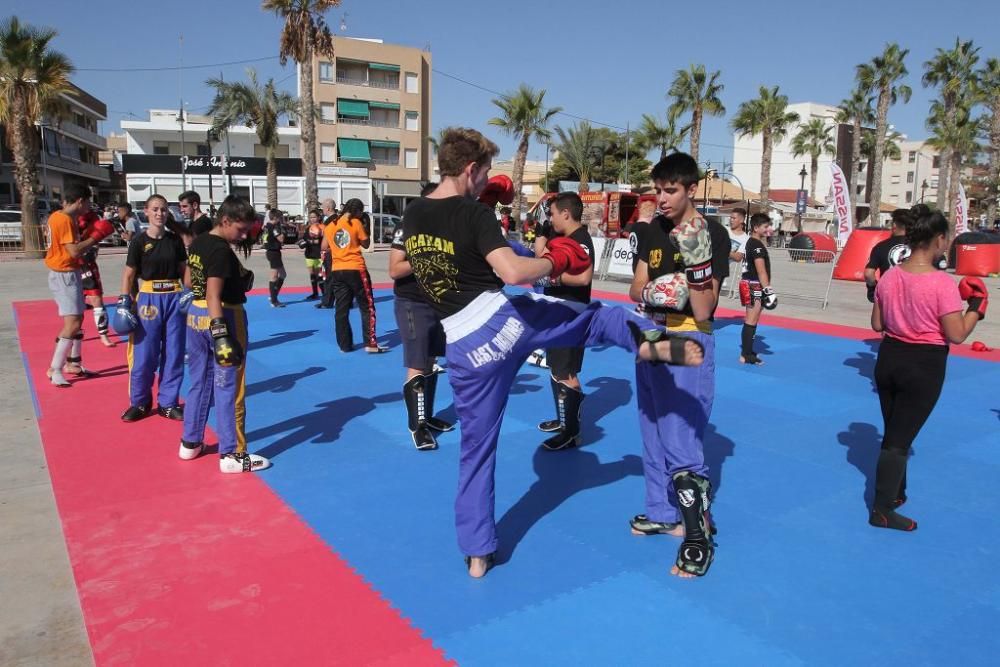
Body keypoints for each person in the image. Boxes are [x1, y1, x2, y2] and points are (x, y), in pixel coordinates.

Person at [400, 127, 704, 578]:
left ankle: (478, 552)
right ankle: (654, 343)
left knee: (475, 451)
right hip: (501, 322)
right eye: (484, 173)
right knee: (594, 319)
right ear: (469, 170)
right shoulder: (472, 213)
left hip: (462, 347)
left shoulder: (414, 214)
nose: (485, 182)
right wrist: (556, 259)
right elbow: (515, 273)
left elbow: (425, 266)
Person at [627, 152, 729, 579]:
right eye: (658, 189)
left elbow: (706, 306)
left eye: (671, 190)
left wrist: (692, 272)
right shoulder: (650, 229)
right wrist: (658, 291)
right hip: (651, 335)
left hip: (688, 338)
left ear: (691, 189)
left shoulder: (714, 234)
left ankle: (697, 537)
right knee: (651, 431)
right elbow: (635, 286)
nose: (662, 197)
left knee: (681, 440)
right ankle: (662, 512)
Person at [869, 210, 985, 530]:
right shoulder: (941, 283)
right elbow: (957, 334)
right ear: (938, 239)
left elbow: (877, 323)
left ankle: (895, 493)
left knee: (895, 430)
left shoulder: (890, 276)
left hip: (889, 358)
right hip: (923, 364)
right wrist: (976, 309)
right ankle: (880, 510)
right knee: (897, 440)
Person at [179, 195, 271, 473]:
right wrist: (221, 335)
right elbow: (213, 294)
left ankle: (190, 442)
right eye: (240, 229)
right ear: (226, 220)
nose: (243, 235)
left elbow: (187, 281)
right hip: (223, 316)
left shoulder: (199, 242)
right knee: (231, 386)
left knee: (198, 382)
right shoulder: (219, 250)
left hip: (195, 317)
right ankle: (232, 453)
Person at [389, 182, 455, 450]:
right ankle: (417, 426)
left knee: (430, 360)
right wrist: (426, 257)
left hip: (438, 302)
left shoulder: (444, 229)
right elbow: (394, 269)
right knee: (417, 363)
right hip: (412, 302)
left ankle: (426, 416)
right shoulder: (408, 227)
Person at [113, 194, 188, 422]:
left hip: (174, 299)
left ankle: (168, 402)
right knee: (144, 355)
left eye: (164, 210)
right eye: (155, 209)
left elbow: (184, 269)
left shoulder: (175, 241)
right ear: (146, 211)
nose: (159, 213)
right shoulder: (138, 241)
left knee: (174, 353)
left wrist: (190, 293)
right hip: (149, 300)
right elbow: (129, 274)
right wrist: (124, 301)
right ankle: (140, 402)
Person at [534, 192, 595, 451]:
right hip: (557, 312)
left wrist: (554, 279)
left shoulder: (580, 239)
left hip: (570, 315)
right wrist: (541, 229)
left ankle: (571, 432)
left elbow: (583, 278)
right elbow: (540, 258)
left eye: (553, 214)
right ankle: (563, 420)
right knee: (557, 369)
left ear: (566, 214)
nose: (551, 218)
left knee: (566, 372)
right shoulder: (562, 238)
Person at [44, 185, 114, 387]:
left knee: (78, 318)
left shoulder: (59, 216)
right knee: (72, 323)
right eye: (88, 203)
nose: (89, 207)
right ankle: (55, 368)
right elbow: (74, 251)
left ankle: (73, 363)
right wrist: (95, 237)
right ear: (80, 201)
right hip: (64, 273)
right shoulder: (64, 219)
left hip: (68, 272)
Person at [322, 198, 384, 353]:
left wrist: (338, 250)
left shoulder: (330, 225)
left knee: (341, 309)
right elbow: (365, 243)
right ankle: (370, 344)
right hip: (356, 268)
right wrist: (364, 226)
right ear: (357, 211)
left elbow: (324, 246)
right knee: (367, 306)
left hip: (337, 269)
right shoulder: (355, 223)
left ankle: (344, 345)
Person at [738, 213, 778, 365]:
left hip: (748, 283)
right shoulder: (757, 245)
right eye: (765, 226)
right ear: (756, 228)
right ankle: (746, 354)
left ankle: (746, 352)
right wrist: (768, 290)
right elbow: (761, 270)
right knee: (751, 320)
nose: (768, 229)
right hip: (754, 285)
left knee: (750, 319)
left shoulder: (750, 243)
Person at [77, 210, 116, 347]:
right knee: (76, 302)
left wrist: (93, 248)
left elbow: (96, 239)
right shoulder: (66, 217)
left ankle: (103, 335)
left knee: (96, 299)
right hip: (71, 265)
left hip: (87, 264)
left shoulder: (92, 216)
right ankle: (76, 332)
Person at [864, 209, 912, 303]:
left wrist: (873, 288)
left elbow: (868, 273)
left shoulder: (881, 246)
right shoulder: (920, 247)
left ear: (894, 225)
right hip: (913, 297)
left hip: (888, 297)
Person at [315, 198, 339, 309]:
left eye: (323, 207)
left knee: (329, 277)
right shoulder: (334, 220)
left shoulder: (332, 221)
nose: (322, 210)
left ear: (328, 208)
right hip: (331, 251)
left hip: (331, 252)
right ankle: (328, 300)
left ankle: (327, 301)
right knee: (329, 277)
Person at [300, 208, 325, 300]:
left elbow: (324, 241)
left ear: (318, 217)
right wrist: (302, 243)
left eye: (314, 217)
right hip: (309, 254)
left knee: (320, 275)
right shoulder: (308, 229)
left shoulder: (323, 227)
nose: (312, 219)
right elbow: (304, 239)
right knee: (312, 275)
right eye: (310, 217)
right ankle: (315, 293)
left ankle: (324, 293)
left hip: (319, 254)